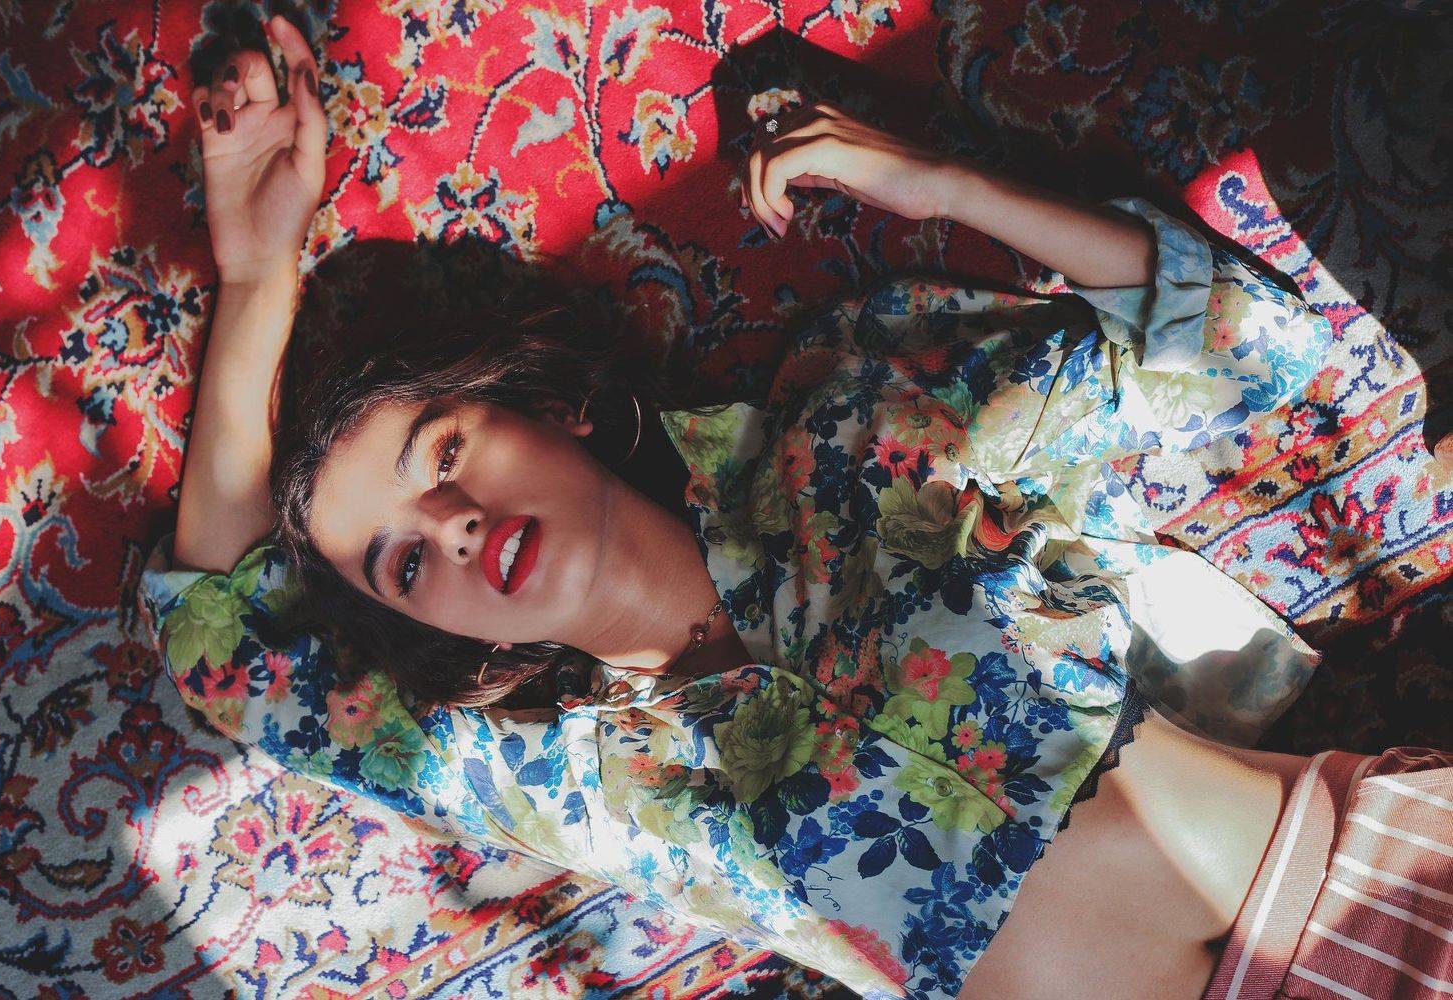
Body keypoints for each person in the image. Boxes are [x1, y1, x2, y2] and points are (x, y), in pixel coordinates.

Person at [143, 16, 1452, 999]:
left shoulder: (852, 425)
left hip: (1381, 895)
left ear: (554, 407)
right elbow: (219, 645)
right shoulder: (537, 773)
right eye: (402, 566)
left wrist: (936, 184)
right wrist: (256, 277)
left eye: (442, 456)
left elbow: (1242, 349)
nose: (454, 526)